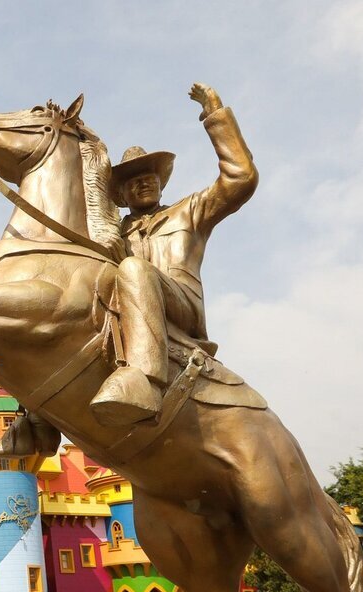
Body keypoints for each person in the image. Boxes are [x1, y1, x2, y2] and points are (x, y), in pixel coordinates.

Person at [91, 83, 258, 426]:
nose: (144, 182)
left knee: (134, 269)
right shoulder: (113, 234)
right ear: (120, 193)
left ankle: (145, 380)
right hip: (128, 313)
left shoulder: (190, 211)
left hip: (181, 305)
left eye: (150, 174)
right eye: (133, 179)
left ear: (162, 181)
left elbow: (241, 178)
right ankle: (35, 419)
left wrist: (215, 116)